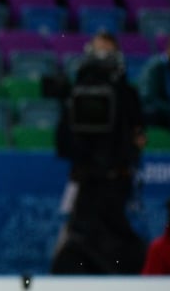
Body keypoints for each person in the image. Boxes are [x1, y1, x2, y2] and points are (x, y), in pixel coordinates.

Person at [51, 32, 148, 275]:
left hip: (115, 184)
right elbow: (64, 144)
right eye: (97, 51)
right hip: (86, 182)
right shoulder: (77, 94)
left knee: (116, 244)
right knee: (76, 244)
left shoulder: (126, 95)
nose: (101, 58)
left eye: (107, 52)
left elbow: (136, 137)